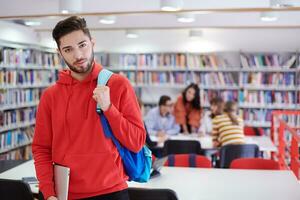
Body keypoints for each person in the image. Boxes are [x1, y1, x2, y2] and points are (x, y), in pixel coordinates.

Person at [32, 16, 146, 200]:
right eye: (68, 49)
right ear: (59, 52)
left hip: (112, 192)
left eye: (82, 45)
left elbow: (137, 141)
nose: (78, 55)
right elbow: (41, 149)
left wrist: (109, 108)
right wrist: (49, 193)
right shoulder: (50, 96)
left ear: (92, 43)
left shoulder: (118, 85)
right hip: (66, 194)